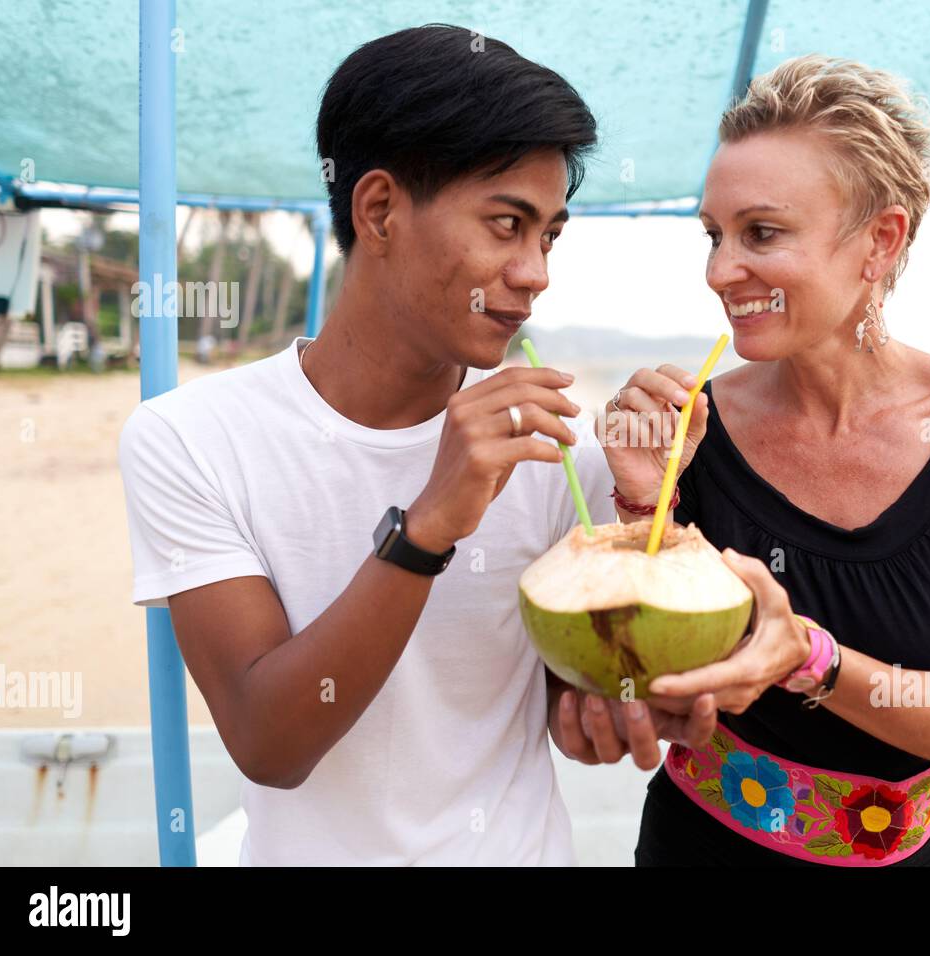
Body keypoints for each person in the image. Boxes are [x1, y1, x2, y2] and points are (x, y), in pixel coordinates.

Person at [119, 24, 712, 866]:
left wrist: (642, 515)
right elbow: (269, 741)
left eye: (548, 235)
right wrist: (430, 523)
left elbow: (575, 702)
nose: (536, 271)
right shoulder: (191, 440)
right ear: (379, 209)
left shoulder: (556, 453)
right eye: (506, 224)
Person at [606, 55, 930, 867]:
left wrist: (809, 658)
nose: (721, 271)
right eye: (714, 236)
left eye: (761, 232)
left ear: (880, 240)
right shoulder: (696, 431)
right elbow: (642, 698)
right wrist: (647, 512)